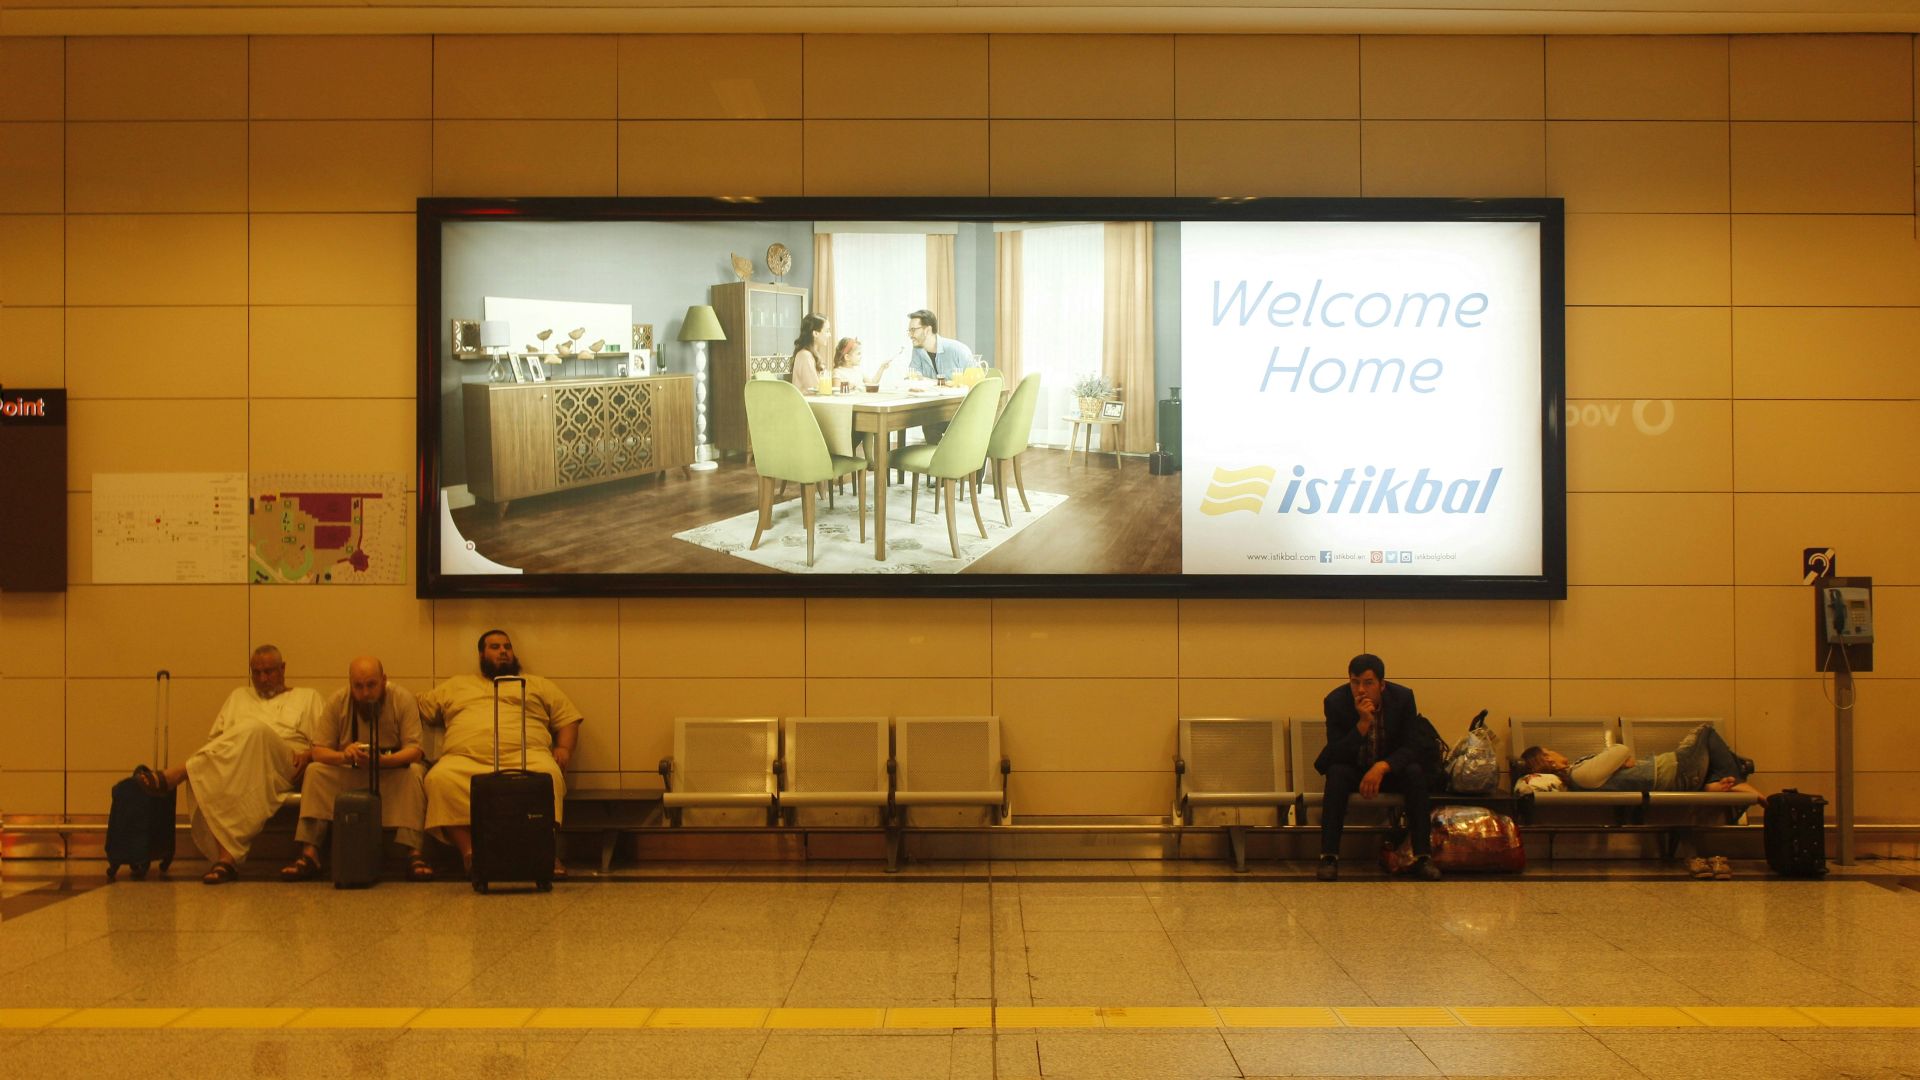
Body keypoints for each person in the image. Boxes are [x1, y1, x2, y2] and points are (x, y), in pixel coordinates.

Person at [134, 645, 322, 884]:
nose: (263, 679)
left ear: (283, 669)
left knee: (254, 729)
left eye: (269, 672)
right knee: (223, 770)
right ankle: (226, 860)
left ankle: (180, 772)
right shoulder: (238, 696)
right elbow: (217, 744)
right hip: (243, 768)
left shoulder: (308, 697)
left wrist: (308, 754)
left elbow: (323, 744)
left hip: (286, 762)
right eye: (257, 672)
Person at [419, 630, 583, 879]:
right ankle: (472, 854)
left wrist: (563, 749)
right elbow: (417, 708)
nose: (503, 651)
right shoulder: (457, 685)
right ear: (481, 654)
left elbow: (569, 718)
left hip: (527, 756)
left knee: (548, 776)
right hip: (465, 761)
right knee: (439, 778)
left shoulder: (537, 684)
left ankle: (544, 854)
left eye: (507, 646)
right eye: (495, 647)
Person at [281, 656, 431, 882]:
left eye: (371, 685)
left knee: (415, 774)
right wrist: (343, 755)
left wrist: (383, 761)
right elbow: (319, 750)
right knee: (315, 773)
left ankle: (414, 854)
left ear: (384, 680)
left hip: (390, 770)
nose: (366, 693)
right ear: (350, 684)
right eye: (358, 686)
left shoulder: (402, 698)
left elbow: (415, 750)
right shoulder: (338, 701)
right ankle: (310, 853)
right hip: (350, 769)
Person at [1313, 653, 1441, 881]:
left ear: (1381, 685)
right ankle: (1329, 856)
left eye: (1368, 683)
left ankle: (1423, 856)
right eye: (1355, 682)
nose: (1361, 689)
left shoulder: (1402, 698)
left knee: (1415, 774)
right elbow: (1337, 752)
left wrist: (1383, 766)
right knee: (1336, 774)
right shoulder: (1336, 702)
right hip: (1354, 768)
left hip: (1388, 769)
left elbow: (1411, 747)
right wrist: (1362, 724)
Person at [1520, 724, 1763, 805]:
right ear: (1549, 760)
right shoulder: (1580, 775)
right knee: (1706, 732)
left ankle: (1713, 782)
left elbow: (1620, 759)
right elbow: (1622, 750)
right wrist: (1618, 760)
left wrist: (1617, 763)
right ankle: (1733, 779)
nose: (1556, 752)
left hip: (1674, 771)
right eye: (1550, 751)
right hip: (1675, 770)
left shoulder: (1580, 774)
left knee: (1708, 748)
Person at [905, 309, 976, 444]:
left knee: (932, 423)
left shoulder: (957, 350)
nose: (910, 335)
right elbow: (913, 376)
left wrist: (929, 382)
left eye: (913, 330)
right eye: (909, 331)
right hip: (937, 411)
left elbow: (976, 383)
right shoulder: (918, 351)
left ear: (927, 330)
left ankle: (968, 462)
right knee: (929, 422)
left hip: (965, 412)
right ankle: (939, 462)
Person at [789, 313, 832, 394]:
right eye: (827, 331)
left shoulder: (811, 354)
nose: (829, 335)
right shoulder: (805, 356)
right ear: (815, 333)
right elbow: (814, 388)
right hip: (807, 405)